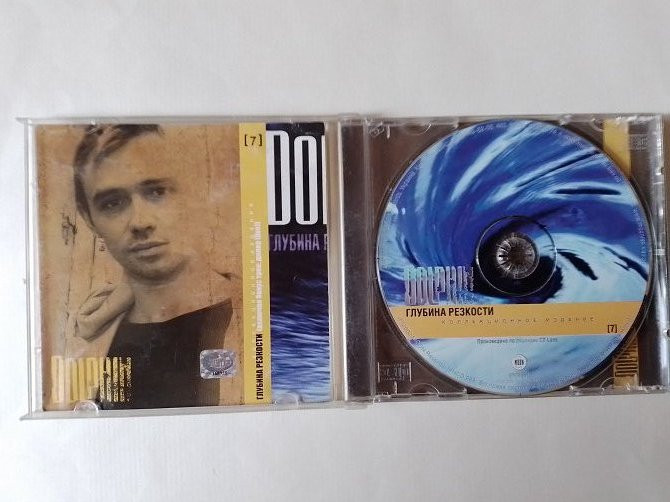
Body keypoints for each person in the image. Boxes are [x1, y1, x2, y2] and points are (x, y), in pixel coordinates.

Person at [70, 124, 242, 409]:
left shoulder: (256, 314)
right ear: (89, 220)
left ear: (194, 193)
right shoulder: (88, 336)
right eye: (112, 204)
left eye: (157, 191)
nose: (140, 222)